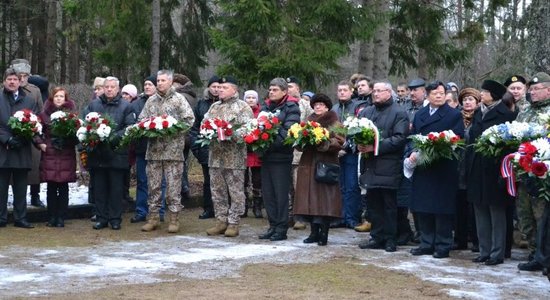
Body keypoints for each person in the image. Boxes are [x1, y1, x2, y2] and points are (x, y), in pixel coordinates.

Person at [406, 80, 465, 259]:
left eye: (441, 93)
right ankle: (426, 242)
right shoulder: (420, 114)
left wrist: (440, 147)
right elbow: (413, 136)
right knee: (423, 206)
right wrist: (413, 153)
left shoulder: (453, 115)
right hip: (424, 167)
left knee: (442, 208)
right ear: (428, 95)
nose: (438, 96)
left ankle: (442, 244)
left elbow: (458, 139)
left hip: (443, 167)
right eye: (435, 93)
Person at [466, 80, 517, 266]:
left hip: (495, 170)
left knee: (496, 213)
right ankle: (484, 250)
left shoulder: (505, 114)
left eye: (485, 92)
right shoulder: (479, 112)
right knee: (480, 211)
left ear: (494, 94)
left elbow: (508, 145)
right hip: (477, 169)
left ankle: (497, 253)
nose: (481, 94)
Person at [139, 70, 195, 233]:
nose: (160, 83)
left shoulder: (179, 100)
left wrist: (173, 128)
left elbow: (189, 120)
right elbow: (142, 119)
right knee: (154, 187)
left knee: (173, 188)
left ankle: (174, 219)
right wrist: (149, 126)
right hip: (154, 152)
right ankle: (154, 217)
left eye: (163, 80)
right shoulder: (151, 100)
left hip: (173, 152)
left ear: (170, 82)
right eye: (158, 80)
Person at [357, 81, 410, 252]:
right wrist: (358, 144)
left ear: (389, 92)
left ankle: (390, 239)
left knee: (389, 205)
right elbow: (357, 131)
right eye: (375, 91)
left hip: (389, 166)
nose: (376, 94)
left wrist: (376, 147)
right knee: (373, 204)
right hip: (370, 165)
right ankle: (376, 236)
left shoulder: (399, 113)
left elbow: (399, 138)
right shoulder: (367, 111)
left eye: (380, 91)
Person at [83, 76, 136, 230]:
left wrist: (112, 138)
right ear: (103, 88)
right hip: (97, 153)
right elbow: (85, 124)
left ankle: (115, 218)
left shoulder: (126, 106)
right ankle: (101, 218)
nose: (110, 89)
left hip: (117, 153)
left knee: (116, 189)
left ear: (118, 89)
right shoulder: (93, 104)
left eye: (113, 87)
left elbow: (129, 127)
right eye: (107, 87)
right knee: (99, 188)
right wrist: (94, 136)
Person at [204, 76, 253, 237]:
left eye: (224, 88)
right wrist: (208, 131)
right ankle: (220, 220)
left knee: (235, 191)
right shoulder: (214, 107)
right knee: (217, 190)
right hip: (215, 156)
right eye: (219, 88)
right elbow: (204, 123)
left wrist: (230, 133)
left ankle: (234, 222)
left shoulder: (243, 107)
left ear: (234, 90)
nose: (220, 90)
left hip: (234, 157)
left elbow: (248, 128)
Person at [293, 93, 344, 246]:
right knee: (309, 199)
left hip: (326, 165)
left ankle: (324, 233)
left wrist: (323, 142)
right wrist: (301, 141)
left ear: (327, 106)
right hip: (308, 164)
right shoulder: (307, 122)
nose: (318, 107)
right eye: (315, 105)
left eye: (321, 104)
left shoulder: (335, 122)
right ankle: (313, 232)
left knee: (325, 201)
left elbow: (340, 141)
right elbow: (298, 142)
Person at [258, 78, 300, 241]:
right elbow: (259, 126)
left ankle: (282, 228)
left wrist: (265, 140)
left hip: (281, 157)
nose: (271, 92)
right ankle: (273, 225)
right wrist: (257, 139)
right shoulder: (266, 106)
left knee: (280, 194)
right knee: (268, 194)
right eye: (270, 89)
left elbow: (287, 133)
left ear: (284, 92)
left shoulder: (291, 107)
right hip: (266, 156)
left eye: (275, 90)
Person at [515, 72, 550, 272]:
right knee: (525, 216)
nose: (533, 92)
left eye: (537, 89)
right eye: (532, 89)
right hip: (524, 171)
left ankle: (545, 256)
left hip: (544, 174)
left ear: (548, 90)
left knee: (543, 216)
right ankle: (535, 253)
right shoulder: (525, 111)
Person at [0, 68, 40, 228]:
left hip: (22, 149)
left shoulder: (29, 100)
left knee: (21, 187)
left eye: (15, 79)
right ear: (4, 81)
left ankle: (21, 218)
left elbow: (35, 124)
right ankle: (1, 218)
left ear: (20, 81)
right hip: (2, 150)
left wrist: (24, 137)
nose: (12, 82)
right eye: (9, 79)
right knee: (1, 188)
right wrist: (7, 139)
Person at [36, 87, 78, 227]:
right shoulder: (44, 114)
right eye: (56, 96)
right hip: (50, 153)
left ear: (66, 99)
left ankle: (61, 217)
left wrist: (69, 139)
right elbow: (35, 131)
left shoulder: (71, 115)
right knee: (51, 187)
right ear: (52, 98)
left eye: (62, 96)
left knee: (64, 187)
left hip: (66, 153)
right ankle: (52, 216)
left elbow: (78, 135)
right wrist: (41, 144)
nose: (59, 98)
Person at [129, 75, 167, 224]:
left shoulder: (163, 102)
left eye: (150, 84)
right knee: (142, 181)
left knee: (159, 182)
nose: (147, 87)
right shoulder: (137, 104)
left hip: (159, 149)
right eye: (145, 84)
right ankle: (141, 211)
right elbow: (133, 123)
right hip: (142, 148)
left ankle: (159, 211)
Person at [10, 59, 44, 208]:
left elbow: (41, 111)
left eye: (25, 75)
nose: (22, 79)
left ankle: (35, 195)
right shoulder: (7, 89)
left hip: (32, 134)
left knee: (34, 167)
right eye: (19, 75)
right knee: (11, 169)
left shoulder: (35, 90)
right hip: (13, 135)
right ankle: (13, 197)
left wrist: (34, 125)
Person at [331, 80, 364, 229]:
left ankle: (351, 217)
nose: (342, 92)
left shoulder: (357, 107)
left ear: (351, 91)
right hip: (336, 153)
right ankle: (339, 216)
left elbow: (361, 129)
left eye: (345, 90)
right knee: (338, 186)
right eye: (339, 90)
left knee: (351, 185)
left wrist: (348, 146)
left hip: (352, 152)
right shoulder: (334, 109)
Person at [453, 88, 481, 252]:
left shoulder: (480, 118)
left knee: (473, 208)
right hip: (457, 167)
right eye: (465, 100)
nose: (468, 102)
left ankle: (476, 240)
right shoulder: (457, 118)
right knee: (458, 206)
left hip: (472, 167)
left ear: (477, 102)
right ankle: (459, 239)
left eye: (471, 99)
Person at [189, 75, 220, 219]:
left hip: (223, 150)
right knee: (208, 181)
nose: (216, 89)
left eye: (219, 87)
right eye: (213, 86)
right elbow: (194, 128)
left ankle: (223, 208)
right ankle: (209, 208)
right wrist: (197, 148)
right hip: (205, 150)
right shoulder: (201, 104)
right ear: (208, 88)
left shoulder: (225, 104)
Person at [286, 76, 313, 230]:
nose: (289, 89)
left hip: (300, 154)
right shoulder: (283, 105)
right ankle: (288, 215)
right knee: (287, 188)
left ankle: (301, 217)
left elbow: (312, 126)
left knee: (299, 187)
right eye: (286, 87)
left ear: (298, 88)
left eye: (291, 86)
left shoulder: (306, 105)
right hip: (284, 154)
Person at [173, 73, 197, 204]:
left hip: (181, 136)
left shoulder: (180, 97)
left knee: (179, 164)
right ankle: (184, 188)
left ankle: (184, 189)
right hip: (188, 136)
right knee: (183, 163)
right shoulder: (191, 96)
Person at [243, 90, 263, 218]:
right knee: (243, 181)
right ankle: (243, 206)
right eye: (248, 97)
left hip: (256, 151)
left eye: (253, 98)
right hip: (243, 150)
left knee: (257, 180)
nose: (250, 100)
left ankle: (257, 206)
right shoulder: (241, 111)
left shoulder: (261, 113)